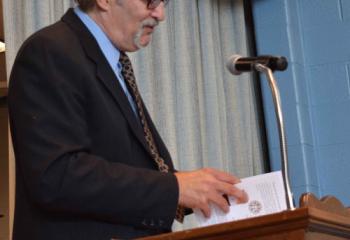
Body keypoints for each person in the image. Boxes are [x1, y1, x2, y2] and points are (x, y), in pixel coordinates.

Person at [8, 0, 248, 239]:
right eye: (151, 1)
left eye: (164, 3)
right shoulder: (50, 51)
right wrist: (174, 189)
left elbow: (128, 163)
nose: (161, 14)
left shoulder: (112, 61)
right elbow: (57, 175)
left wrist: (202, 190)